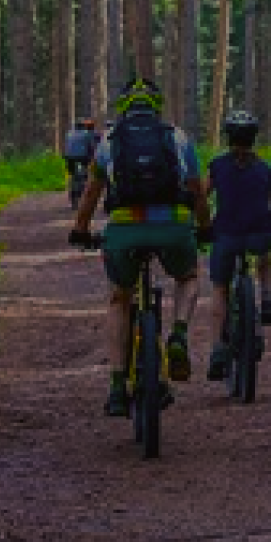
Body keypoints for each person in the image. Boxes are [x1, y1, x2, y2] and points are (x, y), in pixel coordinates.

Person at [68, 77, 212, 416]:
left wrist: (80, 229)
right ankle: (177, 334)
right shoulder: (177, 137)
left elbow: (90, 192)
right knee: (188, 276)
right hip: (173, 227)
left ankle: (117, 387)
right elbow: (196, 188)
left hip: (125, 229)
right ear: (156, 105)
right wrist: (204, 227)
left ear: (124, 107)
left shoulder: (109, 142)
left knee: (119, 298)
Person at [203, 110, 271, 381]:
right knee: (264, 252)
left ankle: (218, 346)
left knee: (220, 288)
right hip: (259, 233)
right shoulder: (264, 169)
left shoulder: (217, 167)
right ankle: (265, 298)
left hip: (226, 235)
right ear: (254, 139)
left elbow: (202, 198)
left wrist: (201, 225)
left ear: (229, 138)